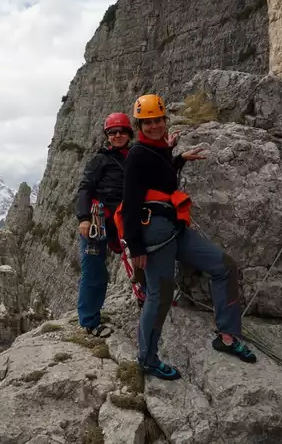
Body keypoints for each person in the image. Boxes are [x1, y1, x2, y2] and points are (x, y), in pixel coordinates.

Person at [118, 93, 257, 380]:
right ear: (140, 125)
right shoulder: (137, 154)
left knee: (224, 267)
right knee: (160, 295)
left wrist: (177, 157)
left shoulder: (155, 149)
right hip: (154, 233)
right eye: (148, 122)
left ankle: (227, 337)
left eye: (159, 120)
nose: (155, 126)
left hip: (174, 228)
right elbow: (130, 202)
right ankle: (147, 359)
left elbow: (162, 177)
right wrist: (136, 246)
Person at [74, 112, 135, 338]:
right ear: (107, 136)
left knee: (141, 260)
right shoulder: (99, 160)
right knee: (94, 270)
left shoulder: (136, 157)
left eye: (121, 131)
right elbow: (85, 188)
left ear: (129, 133)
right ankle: (90, 322)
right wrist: (83, 218)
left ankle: (145, 297)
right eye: (112, 133)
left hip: (124, 219)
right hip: (98, 221)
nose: (117, 135)